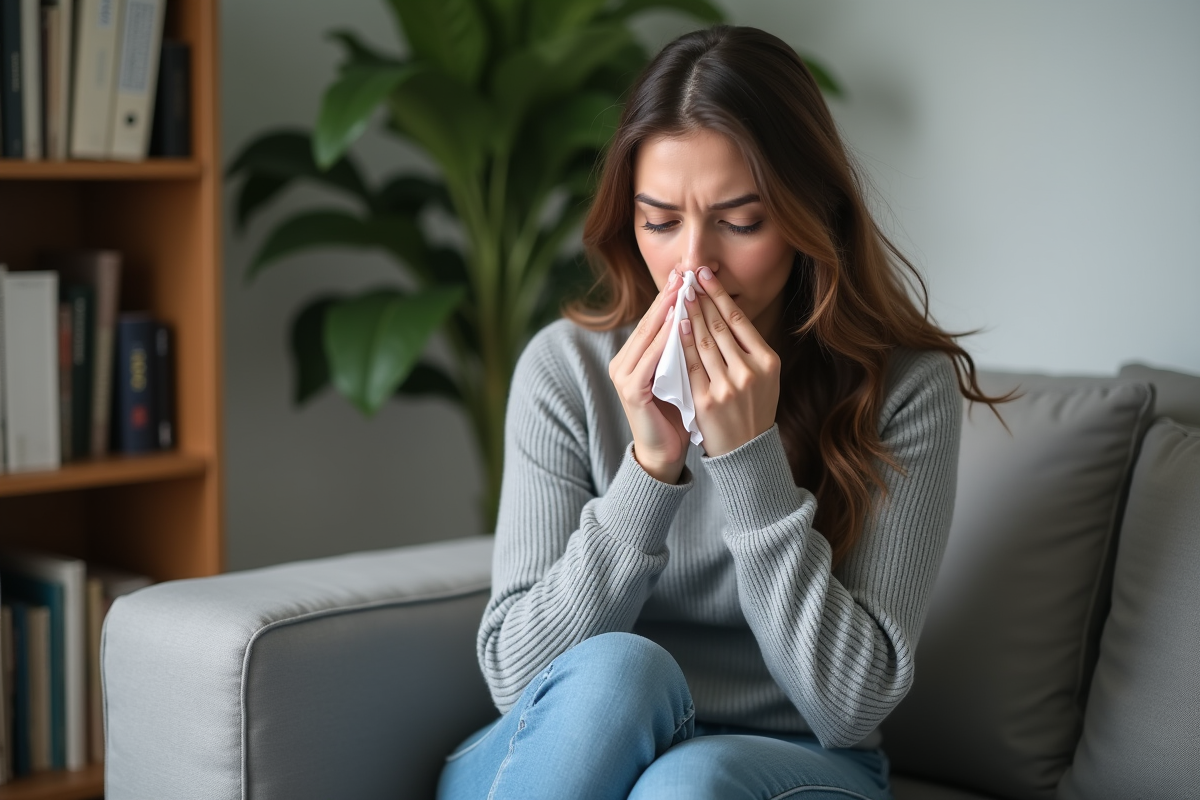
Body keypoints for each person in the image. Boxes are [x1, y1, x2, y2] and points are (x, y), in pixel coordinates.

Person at [437, 23, 1007, 800]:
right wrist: (650, 471)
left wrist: (749, 460)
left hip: (792, 759)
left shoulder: (904, 387)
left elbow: (849, 707)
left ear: (812, 216)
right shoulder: (565, 370)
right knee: (622, 674)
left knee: (690, 780)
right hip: (568, 753)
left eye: (741, 222)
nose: (693, 264)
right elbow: (517, 680)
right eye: (660, 221)